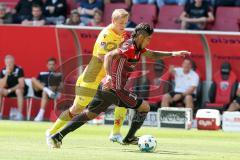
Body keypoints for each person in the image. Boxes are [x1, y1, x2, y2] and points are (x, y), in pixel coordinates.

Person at [48, 23, 190, 148]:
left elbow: (152, 54)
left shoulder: (138, 49)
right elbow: (109, 56)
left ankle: (58, 136)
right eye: (148, 38)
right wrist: (109, 75)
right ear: (140, 36)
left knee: (89, 114)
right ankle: (129, 138)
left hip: (105, 88)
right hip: (115, 89)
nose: (149, 41)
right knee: (144, 107)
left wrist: (174, 53)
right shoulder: (129, 46)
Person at [46, 9, 129, 144]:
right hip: (92, 77)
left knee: (123, 99)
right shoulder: (106, 35)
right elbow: (103, 57)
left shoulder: (122, 34)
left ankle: (115, 132)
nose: (123, 26)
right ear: (113, 21)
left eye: (125, 23)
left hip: (106, 78)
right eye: (121, 23)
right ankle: (51, 132)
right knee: (76, 109)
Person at [0, 55, 28, 120]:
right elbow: (2, 85)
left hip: (20, 91)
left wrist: (9, 90)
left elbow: (21, 84)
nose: (9, 64)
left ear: (14, 62)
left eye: (10, 62)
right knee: (0, 90)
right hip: (8, 91)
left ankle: (20, 114)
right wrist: (6, 74)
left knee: (18, 90)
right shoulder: (3, 71)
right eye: (7, 63)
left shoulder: (19, 69)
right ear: (5, 63)